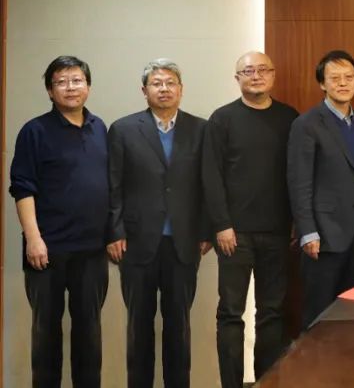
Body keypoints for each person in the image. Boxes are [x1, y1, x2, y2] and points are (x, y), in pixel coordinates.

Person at [106, 59, 211, 388]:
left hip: (184, 242)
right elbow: (113, 185)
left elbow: (208, 184)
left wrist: (206, 230)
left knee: (179, 327)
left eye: (170, 83)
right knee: (138, 327)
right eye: (156, 83)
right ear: (144, 90)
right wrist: (114, 231)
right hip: (136, 243)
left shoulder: (201, 129)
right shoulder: (123, 129)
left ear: (181, 89)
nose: (164, 89)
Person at [9, 56, 109, 388]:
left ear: (88, 86)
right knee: (46, 336)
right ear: (50, 91)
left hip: (92, 251)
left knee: (89, 336)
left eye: (77, 80)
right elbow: (22, 188)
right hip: (46, 251)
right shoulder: (34, 131)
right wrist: (33, 238)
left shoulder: (100, 128)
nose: (70, 87)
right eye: (61, 82)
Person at [202, 51, 299, 388]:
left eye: (262, 70)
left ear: (273, 74)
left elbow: (296, 174)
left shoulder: (289, 117)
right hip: (234, 234)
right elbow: (211, 176)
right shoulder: (222, 119)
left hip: (278, 232)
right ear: (237, 78)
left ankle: (266, 382)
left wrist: (296, 222)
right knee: (231, 313)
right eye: (248, 71)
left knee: (272, 312)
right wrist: (221, 225)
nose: (256, 76)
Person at [287, 49, 354, 328]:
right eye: (334, 78)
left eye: (349, 77)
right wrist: (307, 231)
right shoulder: (307, 124)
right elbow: (299, 182)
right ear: (322, 84)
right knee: (320, 314)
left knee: (352, 314)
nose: (343, 83)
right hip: (325, 235)